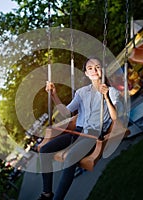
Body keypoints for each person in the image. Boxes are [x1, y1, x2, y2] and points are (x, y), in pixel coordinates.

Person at [38, 57, 121, 200]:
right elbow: (66, 113)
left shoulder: (112, 92)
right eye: (90, 68)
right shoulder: (81, 93)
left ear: (102, 70)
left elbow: (114, 117)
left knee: (71, 158)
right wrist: (54, 96)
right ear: (86, 73)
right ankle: (47, 193)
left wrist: (106, 97)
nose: (94, 70)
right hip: (77, 132)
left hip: (93, 135)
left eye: (97, 67)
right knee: (44, 150)